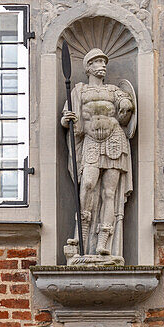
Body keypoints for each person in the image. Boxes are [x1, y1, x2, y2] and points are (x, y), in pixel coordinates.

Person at [61, 48, 135, 261]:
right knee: (88, 184)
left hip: (114, 140)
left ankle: (104, 240)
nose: (102, 65)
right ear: (88, 67)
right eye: (97, 62)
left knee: (109, 192)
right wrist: (67, 120)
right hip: (91, 140)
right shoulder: (79, 91)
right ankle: (81, 235)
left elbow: (126, 108)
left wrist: (126, 105)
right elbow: (68, 118)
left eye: (104, 61)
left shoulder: (114, 90)